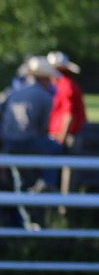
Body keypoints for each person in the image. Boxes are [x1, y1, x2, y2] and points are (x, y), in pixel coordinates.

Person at [1, 56, 63, 191]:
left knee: (21, 177)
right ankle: (48, 181)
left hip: (8, 143)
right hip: (28, 142)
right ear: (43, 78)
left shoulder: (12, 92)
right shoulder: (44, 96)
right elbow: (43, 128)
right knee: (56, 147)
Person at [46, 51, 86, 151]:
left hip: (65, 136)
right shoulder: (61, 85)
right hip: (60, 135)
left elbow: (69, 115)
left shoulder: (66, 86)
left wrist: (61, 137)